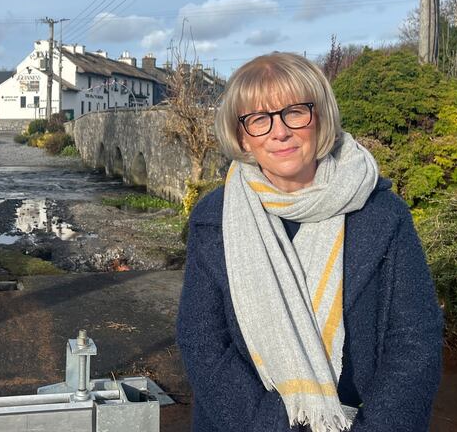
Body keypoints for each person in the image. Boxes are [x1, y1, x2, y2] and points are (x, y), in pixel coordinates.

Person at [176, 52, 442, 432]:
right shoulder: (213, 219)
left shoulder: (382, 214)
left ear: (320, 118)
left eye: (294, 112)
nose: (279, 131)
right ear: (242, 137)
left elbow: (415, 342)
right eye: (259, 119)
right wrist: (267, 425)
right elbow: (202, 341)